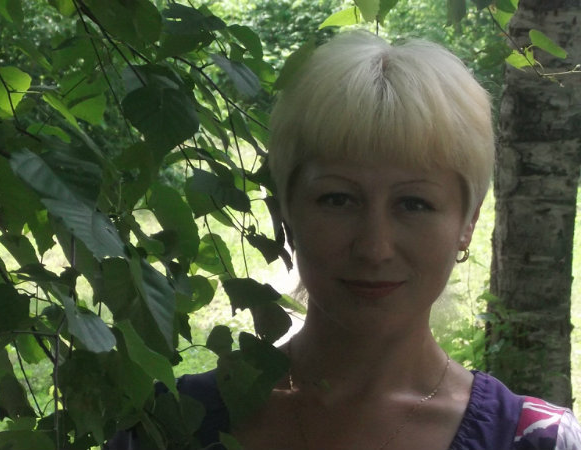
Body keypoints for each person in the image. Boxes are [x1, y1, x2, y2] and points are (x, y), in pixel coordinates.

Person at [108, 31, 581, 450]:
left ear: (468, 223)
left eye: (414, 204)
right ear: (285, 211)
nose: (374, 248)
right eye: (338, 199)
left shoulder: (540, 441)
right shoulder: (165, 429)